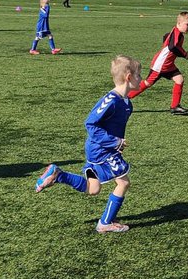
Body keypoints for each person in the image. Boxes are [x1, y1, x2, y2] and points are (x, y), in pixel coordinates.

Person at [34, 55, 142, 235]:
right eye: (139, 75)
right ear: (128, 77)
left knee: (93, 189)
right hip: (101, 150)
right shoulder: (111, 100)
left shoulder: (126, 103)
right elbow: (90, 124)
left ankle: (58, 175)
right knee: (123, 182)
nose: (141, 79)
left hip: (104, 149)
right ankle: (105, 223)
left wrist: (117, 144)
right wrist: (114, 142)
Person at [128, 11, 188, 114]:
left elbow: (166, 36)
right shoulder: (177, 33)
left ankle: (175, 106)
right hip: (161, 65)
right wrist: (185, 54)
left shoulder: (177, 33)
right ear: (179, 23)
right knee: (147, 83)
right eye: (187, 24)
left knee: (179, 80)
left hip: (168, 65)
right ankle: (125, 98)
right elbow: (173, 47)